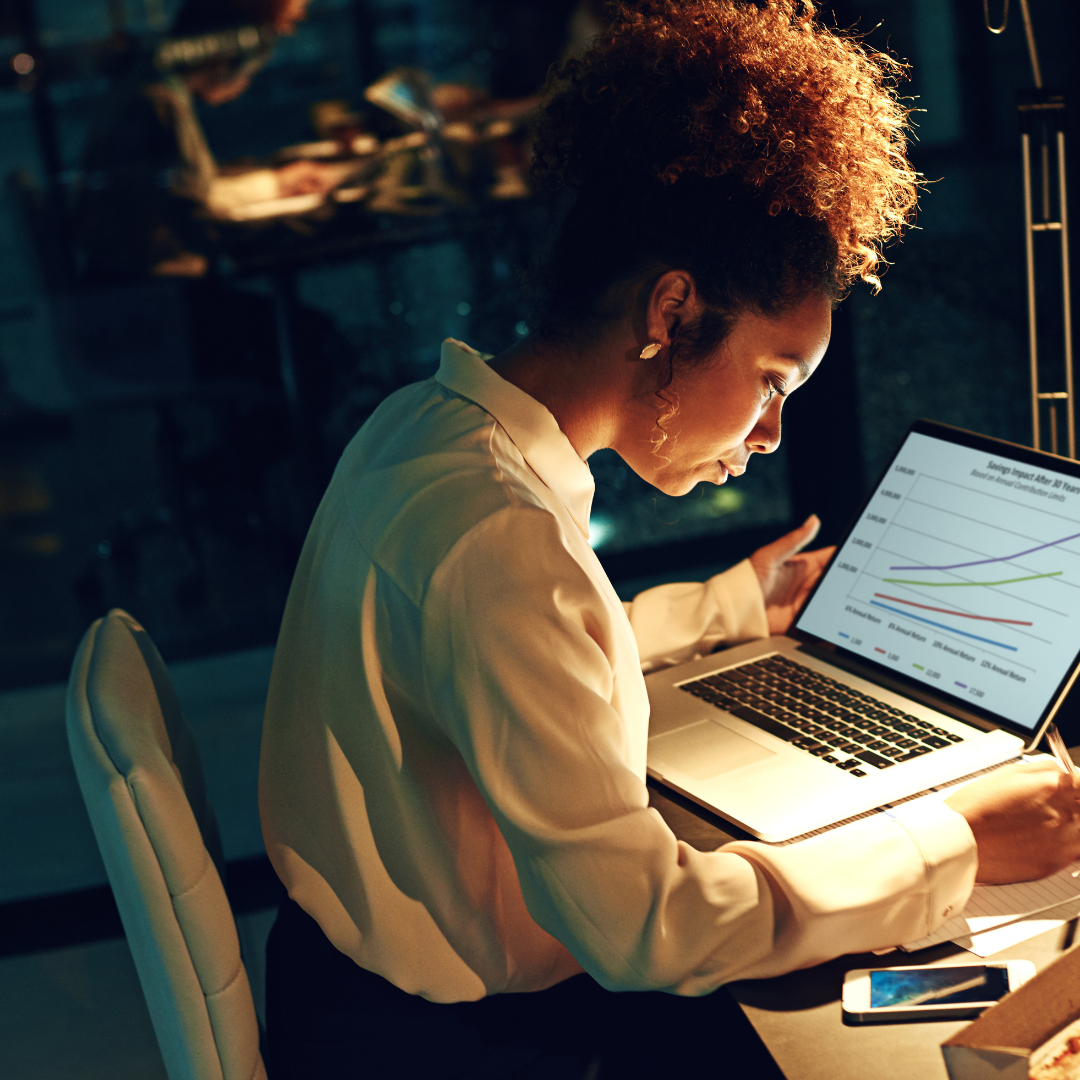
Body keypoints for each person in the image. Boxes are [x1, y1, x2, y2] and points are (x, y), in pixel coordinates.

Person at [259, 3, 1080, 1077]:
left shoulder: (428, 429)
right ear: (673, 310)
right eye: (774, 381)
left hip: (341, 987)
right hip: (451, 1049)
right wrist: (957, 842)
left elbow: (515, 657)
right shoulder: (504, 543)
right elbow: (650, 925)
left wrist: (735, 610)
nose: (773, 433)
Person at [75, 0, 340, 280]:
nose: (250, 76)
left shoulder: (156, 89)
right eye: (253, 62)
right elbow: (199, 223)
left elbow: (193, 191)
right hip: (154, 289)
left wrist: (276, 183)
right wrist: (321, 215)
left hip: (135, 279)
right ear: (225, 53)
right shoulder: (158, 103)